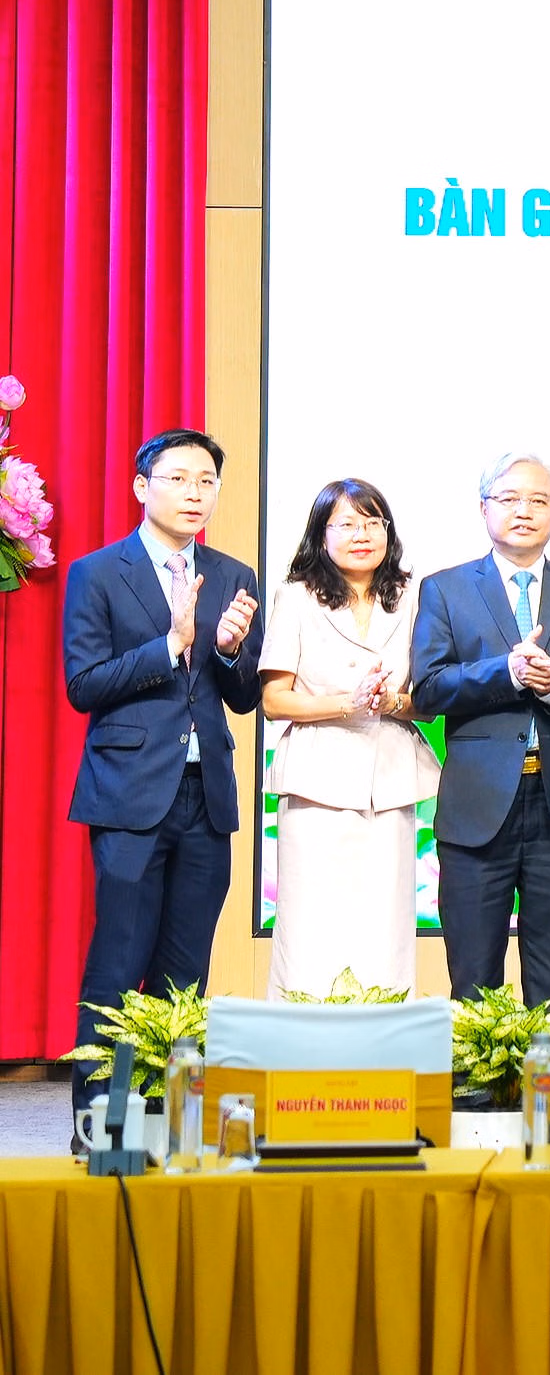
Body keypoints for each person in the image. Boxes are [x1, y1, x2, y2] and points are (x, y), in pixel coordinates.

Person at [63, 429, 263, 1112]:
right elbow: (84, 684)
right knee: (119, 961)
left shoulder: (234, 576)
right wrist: (172, 643)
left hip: (207, 797)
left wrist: (229, 650)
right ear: (141, 487)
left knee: (187, 969)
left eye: (206, 481)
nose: (194, 493)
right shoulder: (98, 572)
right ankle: (102, 1117)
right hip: (129, 796)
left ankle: (171, 1113)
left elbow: (243, 696)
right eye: (177, 479)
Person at [411, 453, 550, 1012]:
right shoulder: (445, 589)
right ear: (483, 507)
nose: (524, 511)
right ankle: (476, 1073)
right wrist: (504, 673)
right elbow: (427, 689)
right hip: (477, 808)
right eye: (509, 499)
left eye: (539, 500)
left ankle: (548, 1071)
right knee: (473, 975)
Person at [258, 478, 440, 997]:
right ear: (321, 534)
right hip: (315, 780)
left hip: (390, 780)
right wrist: (348, 703)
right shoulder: (296, 597)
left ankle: (385, 1037)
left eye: (373, 522)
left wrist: (393, 702)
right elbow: (274, 701)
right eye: (347, 524)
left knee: (386, 928)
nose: (362, 534)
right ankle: (302, 1037)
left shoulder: (415, 597)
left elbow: (430, 696)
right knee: (310, 926)